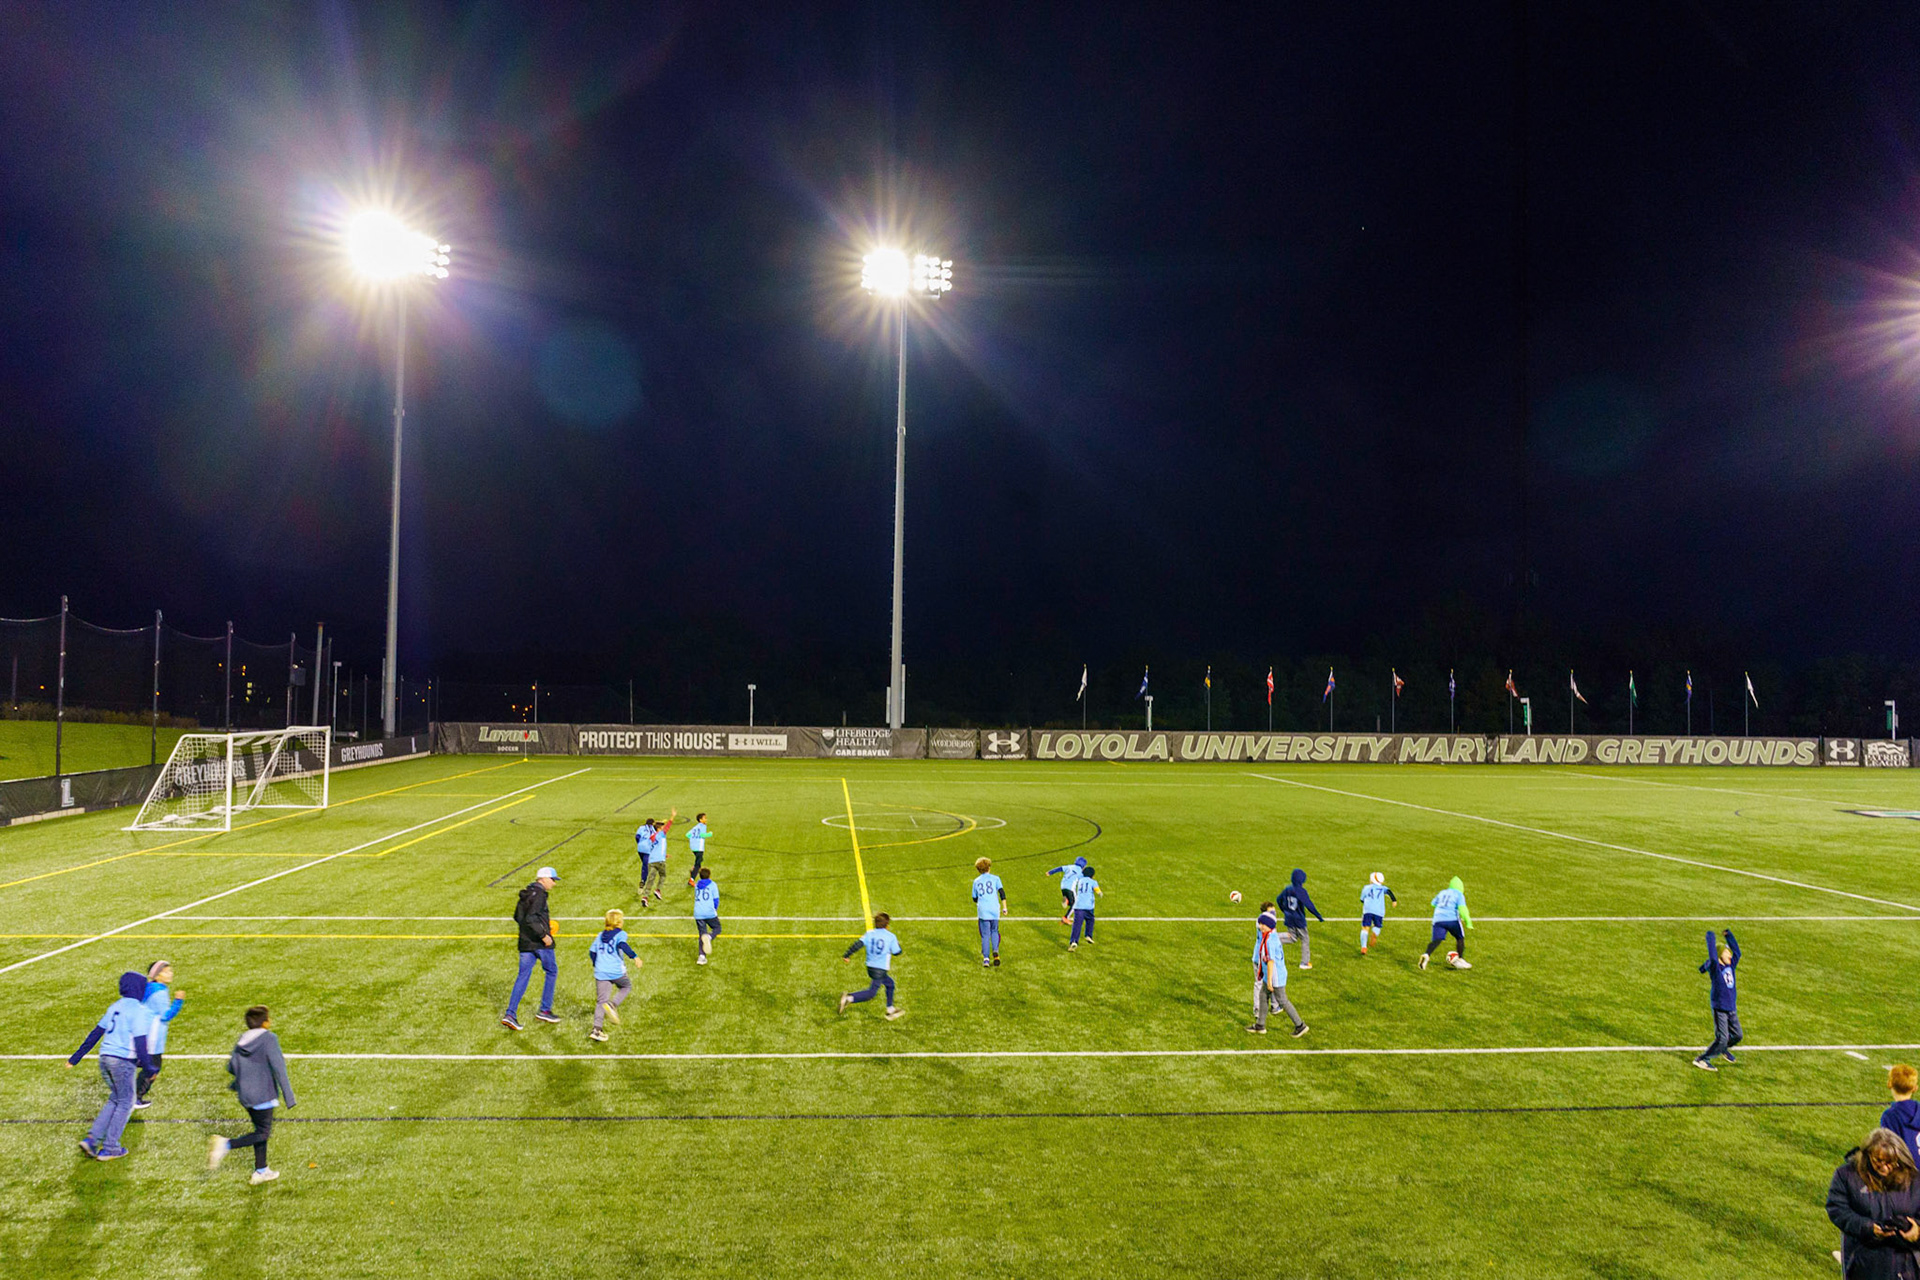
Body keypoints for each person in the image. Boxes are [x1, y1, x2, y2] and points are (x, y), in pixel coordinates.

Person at [66, 971, 155, 1160]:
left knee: (115, 1098)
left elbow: (95, 1033)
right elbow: (140, 1043)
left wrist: (76, 1057)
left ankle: (91, 1139)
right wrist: (149, 1068)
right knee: (126, 1102)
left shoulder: (115, 1006)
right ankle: (110, 1147)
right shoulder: (138, 1010)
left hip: (104, 1059)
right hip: (122, 1062)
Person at [209, 1005, 297, 1186]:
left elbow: (231, 1066)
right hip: (263, 1094)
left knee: (260, 1130)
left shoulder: (242, 1040)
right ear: (265, 1022)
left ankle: (261, 1170)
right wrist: (289, 1096)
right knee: (263, 1133)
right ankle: (226, 1145)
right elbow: (279, 1067)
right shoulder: (269, 1039)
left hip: (245, 1096)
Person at [1825, 1127, 1920, 1279]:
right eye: (1878, 1161)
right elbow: (1837, 1209)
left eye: (1890, 1162)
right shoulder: (1847, 1175)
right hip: (1864, 1262)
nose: (1884, 1167)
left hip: (1905, 1265)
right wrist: (1867, 1227)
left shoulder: (1915, 1179)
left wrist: (1917, 1231)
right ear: (1867, 1155)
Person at [503, 867, 562, 1031]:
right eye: (552, 880)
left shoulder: (526, 893)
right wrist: (544, 934)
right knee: (551, 971)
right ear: (543, 879)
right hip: (539, 943)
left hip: (525, 942)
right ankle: (545, 1010)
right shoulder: (540, 895)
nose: (554, 883)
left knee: (523, 976)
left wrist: (529, 931)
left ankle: (510, 1014)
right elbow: (531, 918)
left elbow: (518, 917)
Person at [1248, 905, 1308, 1037]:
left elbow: (1270, 961)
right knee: (1263, 996)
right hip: (1274, 975)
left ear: (1269, 925)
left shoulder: (1270, 940)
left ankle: (1300, 1025)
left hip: (1275, 977)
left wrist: (1269, 980)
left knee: (1283, 1001)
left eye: (1263, 924)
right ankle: (1260, 1025)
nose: (1261, 926)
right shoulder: (1271, 936)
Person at [134, 960, 183, 1109]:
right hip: (152, 1036)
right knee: (153, 1067)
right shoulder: (159, 992)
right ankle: (135, 1097)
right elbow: (165, 1016)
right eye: (167, 971)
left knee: (141, 1062)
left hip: (143, 1032)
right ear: (158, 975)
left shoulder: (152, 988)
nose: (171, 974)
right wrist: (178, 1001)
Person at [838, 912, 905, 1019]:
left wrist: (847, 955)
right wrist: (898, 947)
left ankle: (890, 1009)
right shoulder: (891, 936)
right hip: (881, 969)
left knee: (890, 984)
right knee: (871, 993)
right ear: (887, 925)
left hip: (870, 967)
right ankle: (849, 998)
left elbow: (858, 944)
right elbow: (897, 952)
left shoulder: (869, 934)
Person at [1692, 928, 1741, 1071]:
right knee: (1722, 1038)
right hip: (1720, 1007)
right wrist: (1711, 939)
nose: (1730, 955)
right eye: (1727, 952)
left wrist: (1729, 936)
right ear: (1720, 954)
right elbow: (1712, 958)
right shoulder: (1716, 967)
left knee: (1738, 1035)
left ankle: (1722, 1049)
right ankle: (1702, 1059)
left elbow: (1738, 952)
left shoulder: (1730, 966)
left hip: (1731, 1008)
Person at [588, 909, 639, 1041]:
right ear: (619, 922)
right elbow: (622, 945)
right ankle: (613, 1005)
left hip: (601, 972)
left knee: (601, 1001)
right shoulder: (621, 934)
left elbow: (592, 952)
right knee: (626, 986)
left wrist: (596, 964)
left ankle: (596, 1030)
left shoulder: (600, 935)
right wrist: (635, 957)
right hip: (615, 971)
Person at [1419, 875, 1473, 970]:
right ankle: (1460, 958)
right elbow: (1462, 909)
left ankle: (1427, 954)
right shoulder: (1459, 894)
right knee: (1460, 937)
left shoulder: (1442, 892)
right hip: (1452, 919)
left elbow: (1433, 903)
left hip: (1438, 920)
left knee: (1436, 940)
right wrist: (1468, 921)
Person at [1278, 869, 1323, 969]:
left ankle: (1274, 938)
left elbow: (1278, 899)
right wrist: (1318, 916)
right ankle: (1305, 963)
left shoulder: (1287, 889)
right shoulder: (1301, 891)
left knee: (1292, 937)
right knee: (1305, 939)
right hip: (1299, 920)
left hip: (1289, 918)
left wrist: (1284, 910)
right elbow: (1309, 905)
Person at [638, 810, 678, 904]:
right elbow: (669, 825)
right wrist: (672, 816)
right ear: (660, 828)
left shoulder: (652, 837)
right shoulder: (661, 834)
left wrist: (664, 854)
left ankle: (645, 897)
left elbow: (654, 848)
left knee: (650, 879)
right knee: (663, 875)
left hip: (651, 861)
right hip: (660, 861)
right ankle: (658, 890)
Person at [972, 856, 1005, 967]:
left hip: (983, 910)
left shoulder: (976, 881)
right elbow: (1002, 893)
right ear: (989, 868)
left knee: (985, 934)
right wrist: (1004, 907)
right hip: (994, 909)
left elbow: (974, 898)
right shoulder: (996, 879)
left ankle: (986, 959)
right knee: (994, 931)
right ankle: (995, 951)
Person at [1885, 1066, 1920, 1165]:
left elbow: (1889, 1149)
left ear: (1889, 1084)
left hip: (1907, 1171)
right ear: (1915, 1088)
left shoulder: (1890, 1116)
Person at [1358, 873, 1396, 956]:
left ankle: (1364, 947)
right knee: (1377, 926)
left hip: (1368, 910)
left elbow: (1362, 899)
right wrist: (1394, 901)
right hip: (1379, 911)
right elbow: (1389, 892)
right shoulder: (1383, 888)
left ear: (1372, 880)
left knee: (1365, 928)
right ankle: (1375, 933)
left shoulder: (1367, 888)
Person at [1047, 856, 1088, 925]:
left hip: (1063, 886)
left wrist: (1050, 872)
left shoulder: (1069, 867)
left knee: (1071, 902)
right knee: (1075, 904)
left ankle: (1066, 900)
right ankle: (1066, 917)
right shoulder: (1081, 872)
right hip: (1071, 888)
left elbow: (1059, 868)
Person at [1069, 863, 1101, 950]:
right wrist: (1099, 893)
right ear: (1092, 875)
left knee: (1077, 924)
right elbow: (1096, 889)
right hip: (1088, 906)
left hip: (1078, 906)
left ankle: (1074, 941)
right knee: (1090, 920)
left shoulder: (1080, 881)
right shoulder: (1093, 882)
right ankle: (1088, 935)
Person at [692, 868, 722, 965]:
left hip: (698, 913)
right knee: (717, 927)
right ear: (709, 875)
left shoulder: (697, 885)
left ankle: (701, 956)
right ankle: (709, 937)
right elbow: (716, 900)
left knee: (702, 933)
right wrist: (714, 910)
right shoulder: (713, 885)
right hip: (709, 912)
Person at [686, 812, 713, 886]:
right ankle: (691, 879)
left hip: (693, 847)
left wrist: (693, 839)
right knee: (698, 864)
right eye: (704, 818)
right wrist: (709, 834)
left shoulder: (695, 827)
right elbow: (702, 835)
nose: (706, 819)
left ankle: (693, 870)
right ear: (700, 820)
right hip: (699, 847)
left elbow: (688, 834)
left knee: (700, 860)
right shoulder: (702, 826)